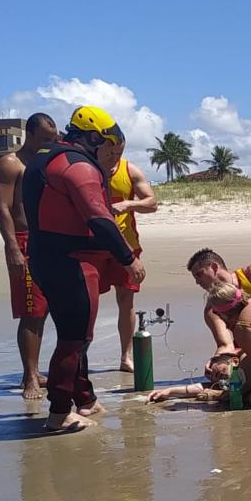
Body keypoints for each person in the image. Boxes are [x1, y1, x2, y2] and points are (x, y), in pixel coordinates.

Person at [22, 105, 146, 432]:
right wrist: (128, 259)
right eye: (110, 149)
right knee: (74, 338)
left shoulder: (46, 158)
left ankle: (85, 399)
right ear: (93, 139)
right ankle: (59, 413)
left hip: (46, 258)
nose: (112, 158)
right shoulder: (78, 166)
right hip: (71, 262)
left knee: (76, 335)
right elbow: (99, 219)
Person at [0, 112, 59, 399]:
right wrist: (13, 248)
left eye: (52, 139)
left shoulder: (47, 160)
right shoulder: (10, 164)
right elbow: (2, 208)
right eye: (44, 138)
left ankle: (36, 371)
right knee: (32, 311)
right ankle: (29, 376)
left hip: (49, 240)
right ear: (29, 135)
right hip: (24, 240)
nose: (48, 143)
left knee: (50, 308)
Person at [96, 143, 158, 372]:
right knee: (88, 301)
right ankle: (80, 355)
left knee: (126, 301)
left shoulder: (129, 170)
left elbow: (152, 203)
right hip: (94, 247)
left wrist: (129, 204)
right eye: (110, 152)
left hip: (126, 246)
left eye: (119, 152)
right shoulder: (88, 168)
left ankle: (126, 355)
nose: (114, 156)